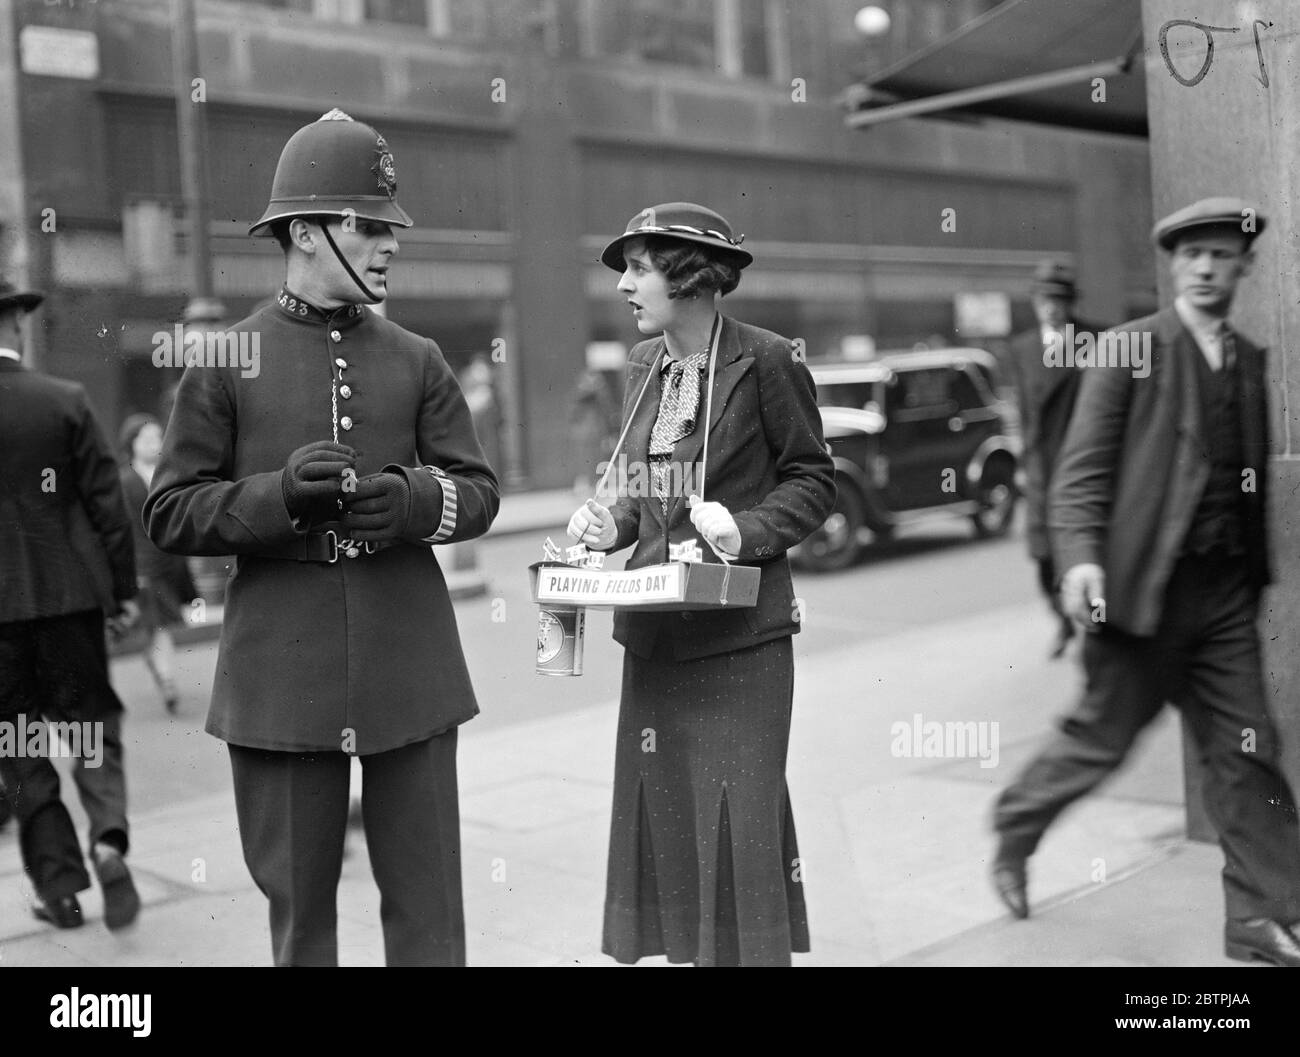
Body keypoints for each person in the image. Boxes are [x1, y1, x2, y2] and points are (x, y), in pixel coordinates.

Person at [145, 109, 499, 966]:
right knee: (301, 922)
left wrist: (417, 503)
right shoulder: (225, 359)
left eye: (390, 229)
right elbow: (169, 513)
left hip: (409, 664)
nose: (389, 245)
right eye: (368, 226)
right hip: (281, 672)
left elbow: (479, 493)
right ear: (304, 232)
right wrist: (275, 500)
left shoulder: (418, 357)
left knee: (430, 913)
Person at [991, 197, 1300, 966]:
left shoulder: (1251, 358)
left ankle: (1259, 919)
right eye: (1190, 253)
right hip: (1141, 595)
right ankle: (1017, 822)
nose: (1204, 266)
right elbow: (1081, 474)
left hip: (1224, 598)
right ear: (1170, 263)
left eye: (1221, 254)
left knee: (1248, 750)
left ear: (1244, 266)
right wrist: (1082, 559)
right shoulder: (1128, 349)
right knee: (1102, 740)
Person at [568, 202, 836, 966]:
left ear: (689, 276)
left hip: (741, 644)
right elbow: (632, 488)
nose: (624, 284)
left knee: (738, 834)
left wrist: (741, 532)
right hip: (656, 642)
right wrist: (607, 523)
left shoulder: (771, 358)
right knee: (674, 835)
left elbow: (814, 481)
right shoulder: (641, 365)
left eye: (639, 268)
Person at [0, 277, 142, 931]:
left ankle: (58, 888)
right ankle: (109, 839)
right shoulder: (63, 400)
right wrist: (120, 593)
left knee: (21, 748)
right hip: (70, 601)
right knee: (90, 728)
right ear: (18, 326)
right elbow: (109, 507)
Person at [1007, 260, 1104, 658]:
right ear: (1035, 302)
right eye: (1045, 299)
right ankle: (1063, 619)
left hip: (1083, 462)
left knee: (1087, 548)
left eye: (1059, 299)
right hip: (1041, 468)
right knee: (1045, 557)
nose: (1051, 307)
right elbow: (1025, 410)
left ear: (1069, 303)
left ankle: (1096, 631)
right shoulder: (1023, 348)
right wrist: (1022, 465)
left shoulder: (1095, 339)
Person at [118, 413, 197, 713]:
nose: (155, 444)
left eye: (158, 437)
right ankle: (166, 679)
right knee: (156, 624)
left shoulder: (170, 475)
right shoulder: (123, 481)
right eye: (147, 438)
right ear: (132, 443)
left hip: (169, 562)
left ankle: (161, 672)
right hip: (141, 565)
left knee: (157, 625)